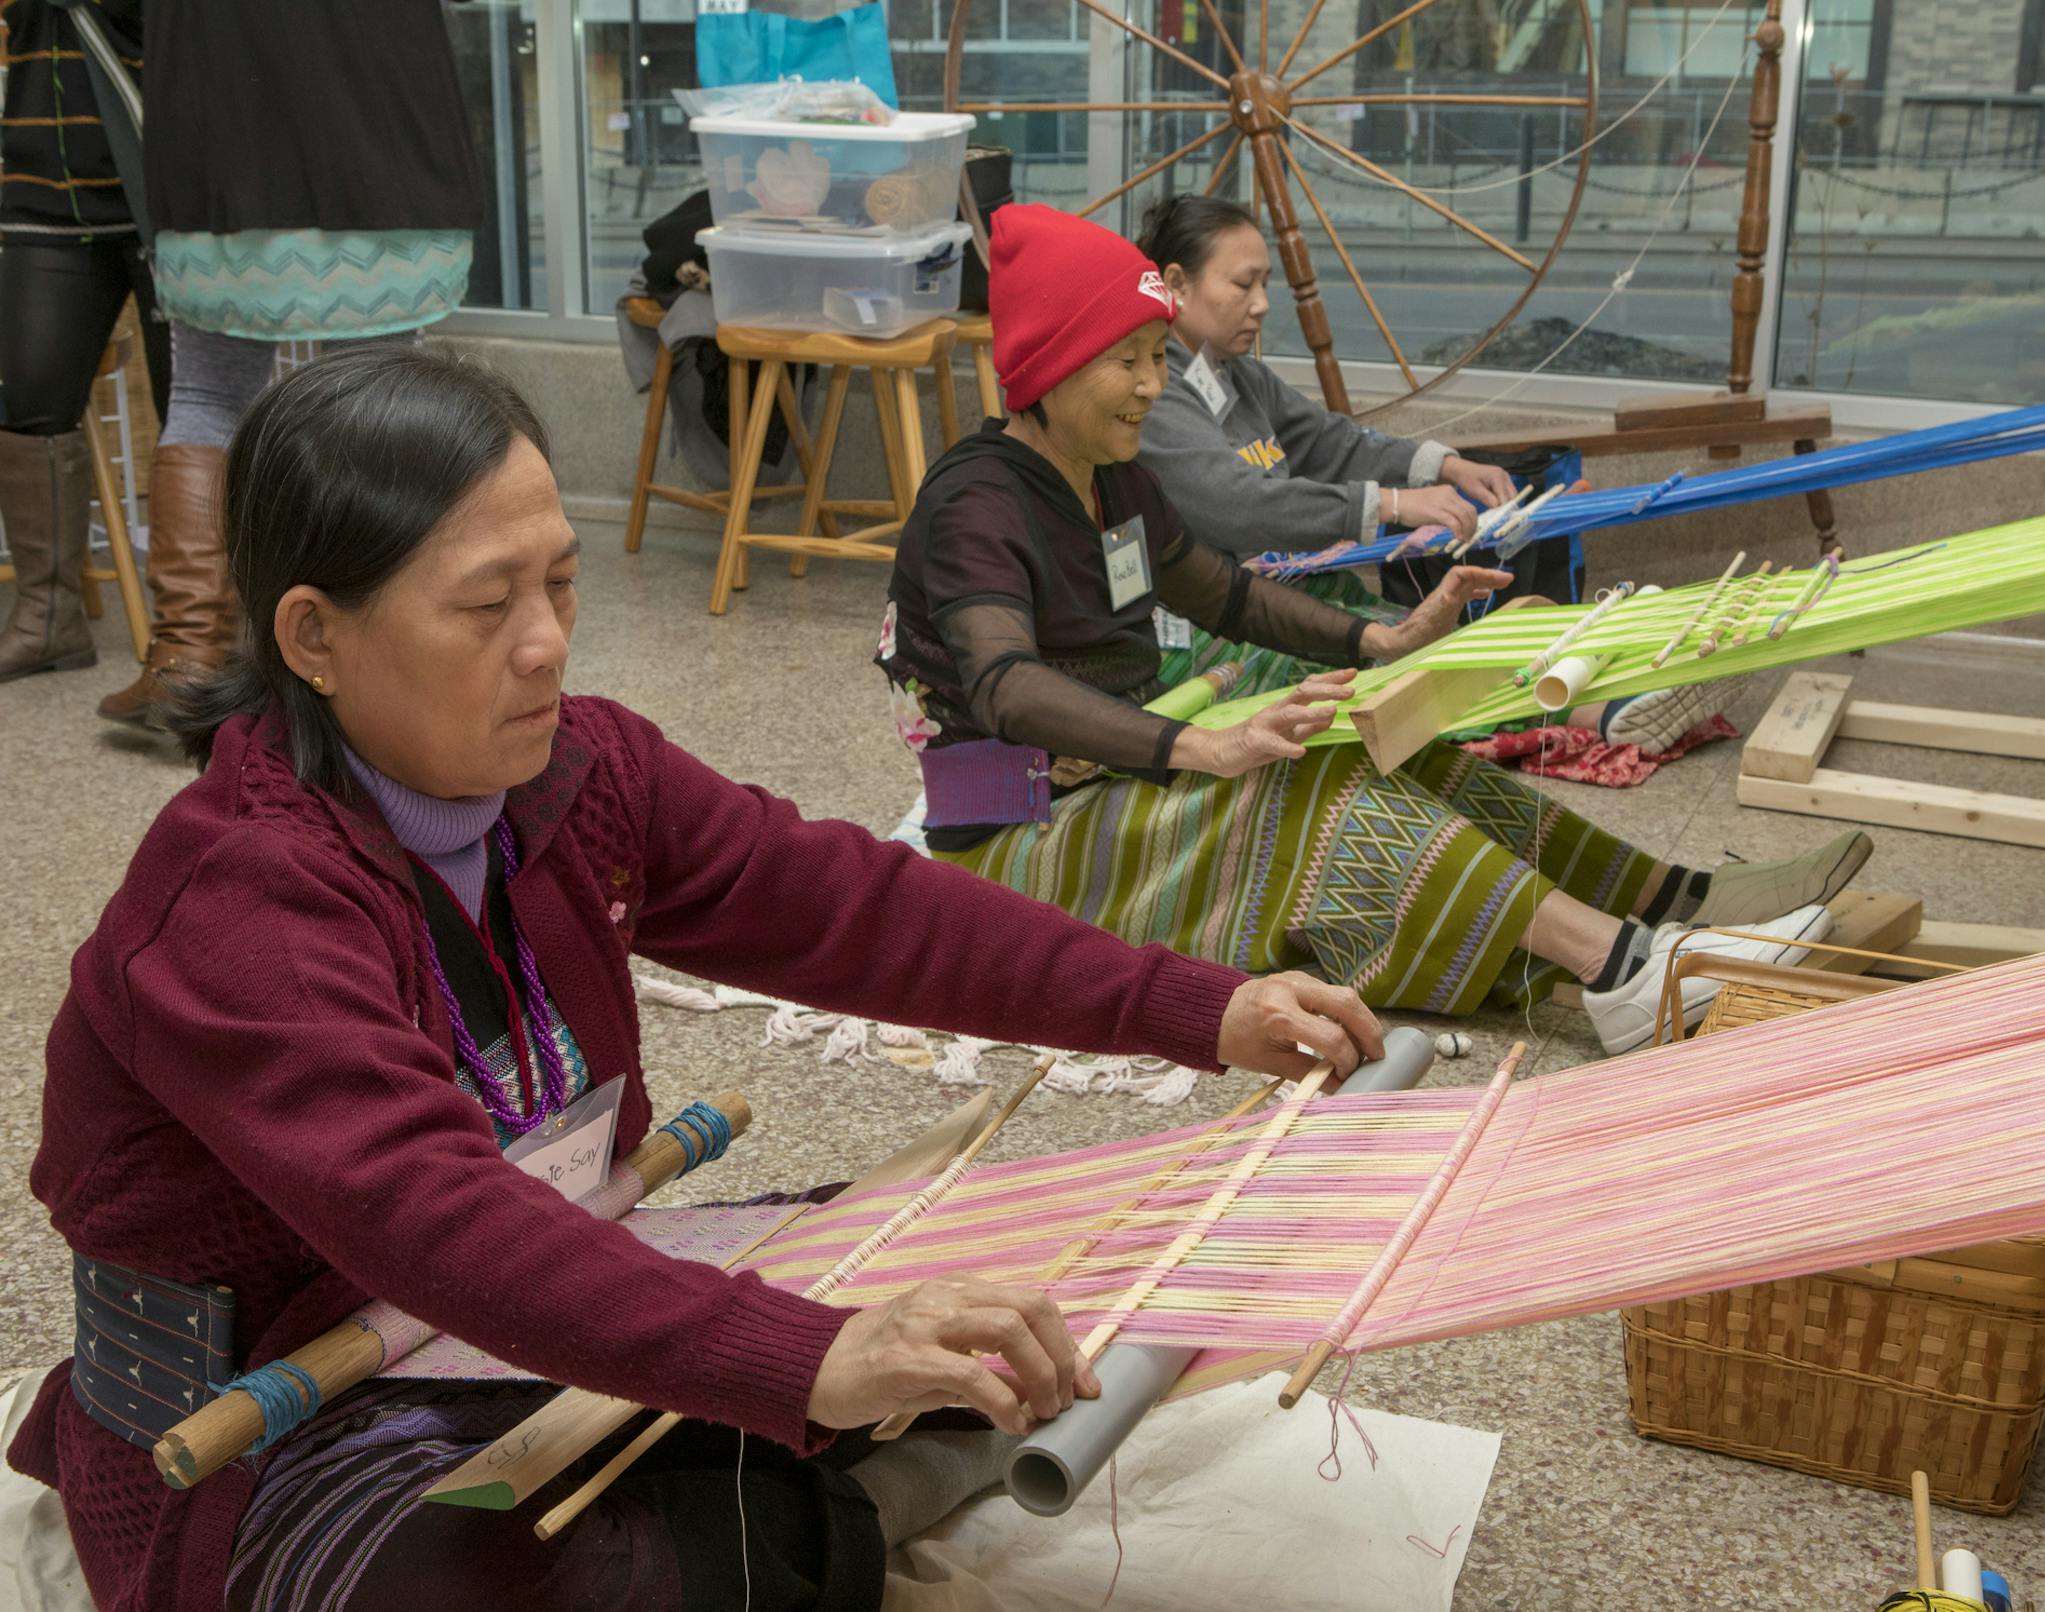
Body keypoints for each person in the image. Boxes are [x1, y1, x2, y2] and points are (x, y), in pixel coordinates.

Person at [5, 347, 1388, 1612]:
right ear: (314, 639)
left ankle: (796, 1498)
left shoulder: (576, 773)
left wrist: (1193, 1006)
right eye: (486, 605)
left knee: (992, 1331)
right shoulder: (236, 905)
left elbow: (855, 910)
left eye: (558, 582)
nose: (545, 641)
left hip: (537, 1300)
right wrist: (810, 1365)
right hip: (289, 1407)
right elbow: (432, 1219)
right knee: (566, 1582)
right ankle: (801, 1499)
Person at [877, 204, 1871, 1057]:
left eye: (1153, 357)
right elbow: (1004, 685)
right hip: (1024, 838)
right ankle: (1620, 971)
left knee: (1395, 754)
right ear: (1049, 369)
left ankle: (1675, 901)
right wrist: (1201, 745)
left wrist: (1379, 646)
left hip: (1117, 779)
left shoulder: (1113, 477)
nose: (1151, 383)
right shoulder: (979, 505)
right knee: (1320, 800)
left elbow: (1222, 592)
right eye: (1129, 362)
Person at [1131, 193, 1739, 755]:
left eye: (1265, 283)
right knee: (1399, 664)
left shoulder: (1233, 372)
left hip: (1285, 590)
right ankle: (1604, 708)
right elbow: (1234, 503)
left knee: (1451, 630)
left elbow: (1326, 441)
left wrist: (1443, 465)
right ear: (1177, 285)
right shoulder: (1152, 388)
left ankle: (1619, 679)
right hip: (1214, 626)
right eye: (1244, 284)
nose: (1262, 303)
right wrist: (1395, 504)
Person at [94, 0, 486, 727]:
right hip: (381, 138)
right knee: (374, 398)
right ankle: (372, 659)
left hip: (222, 144)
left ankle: (185, 659)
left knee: (207, 394)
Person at [0, 0, 170, 683]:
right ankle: (47, 620)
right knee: (27, 402)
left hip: (172, 185)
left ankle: (225, 626)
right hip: (43, 195)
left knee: (201, 406)